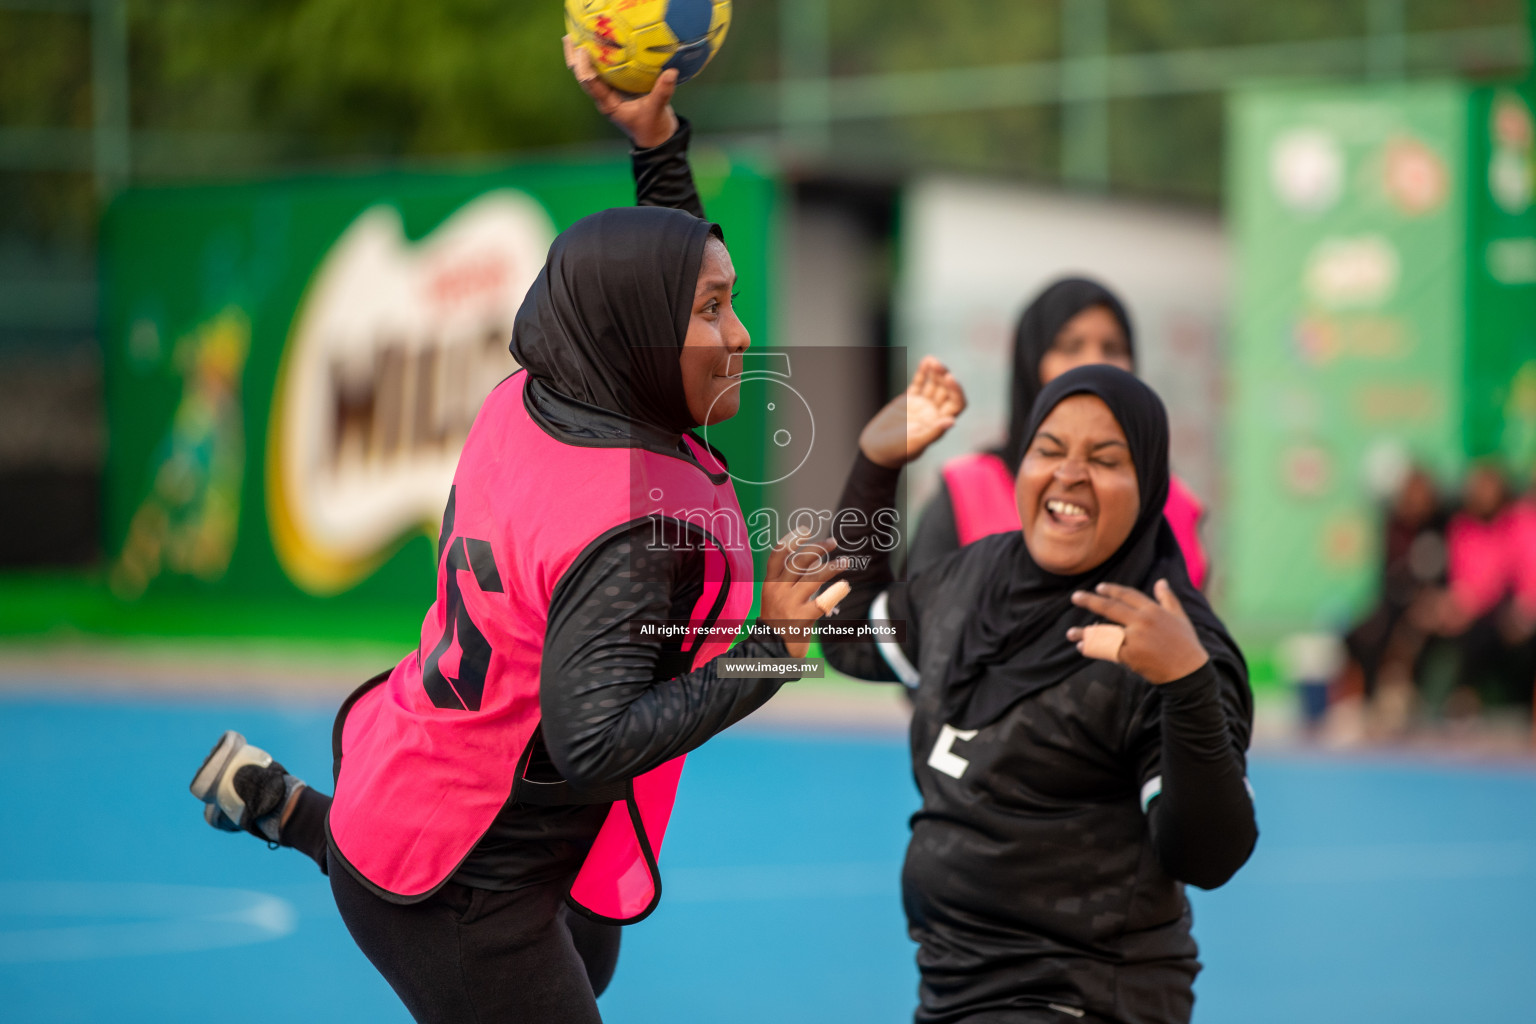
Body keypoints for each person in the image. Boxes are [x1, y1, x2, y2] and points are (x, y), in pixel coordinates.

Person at [189, 201, 856, 1023]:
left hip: (420, 760)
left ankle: (287, 809)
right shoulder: (634, 527)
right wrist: (773, 650)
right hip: (463, 875)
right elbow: (594, 740)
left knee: (593, 953)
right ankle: (314, 828)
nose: (743, 334)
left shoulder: (531, 396)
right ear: (634, 327)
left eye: (732, 301)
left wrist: (660, 146)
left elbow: (651, 272)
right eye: (712, 311)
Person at [822, 364, 1257, 1024]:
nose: (1069, 475)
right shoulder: (974, 579)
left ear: (1149, 487)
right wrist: (874, 469)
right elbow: (849, 634)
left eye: (1105, 460)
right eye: (1048, 451)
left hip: (1080, 1000)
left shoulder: (1168, 640)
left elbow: (1208, 854)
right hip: (952, 989)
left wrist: (1187, 686)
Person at [907, 279, 1210, 590]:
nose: (1094, 362)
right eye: (1070, 347)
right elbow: (918, 620)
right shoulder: (967, 489)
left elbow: (1188, 621)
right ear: (1031, 361)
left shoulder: (1170, 500)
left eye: (1113, 349)